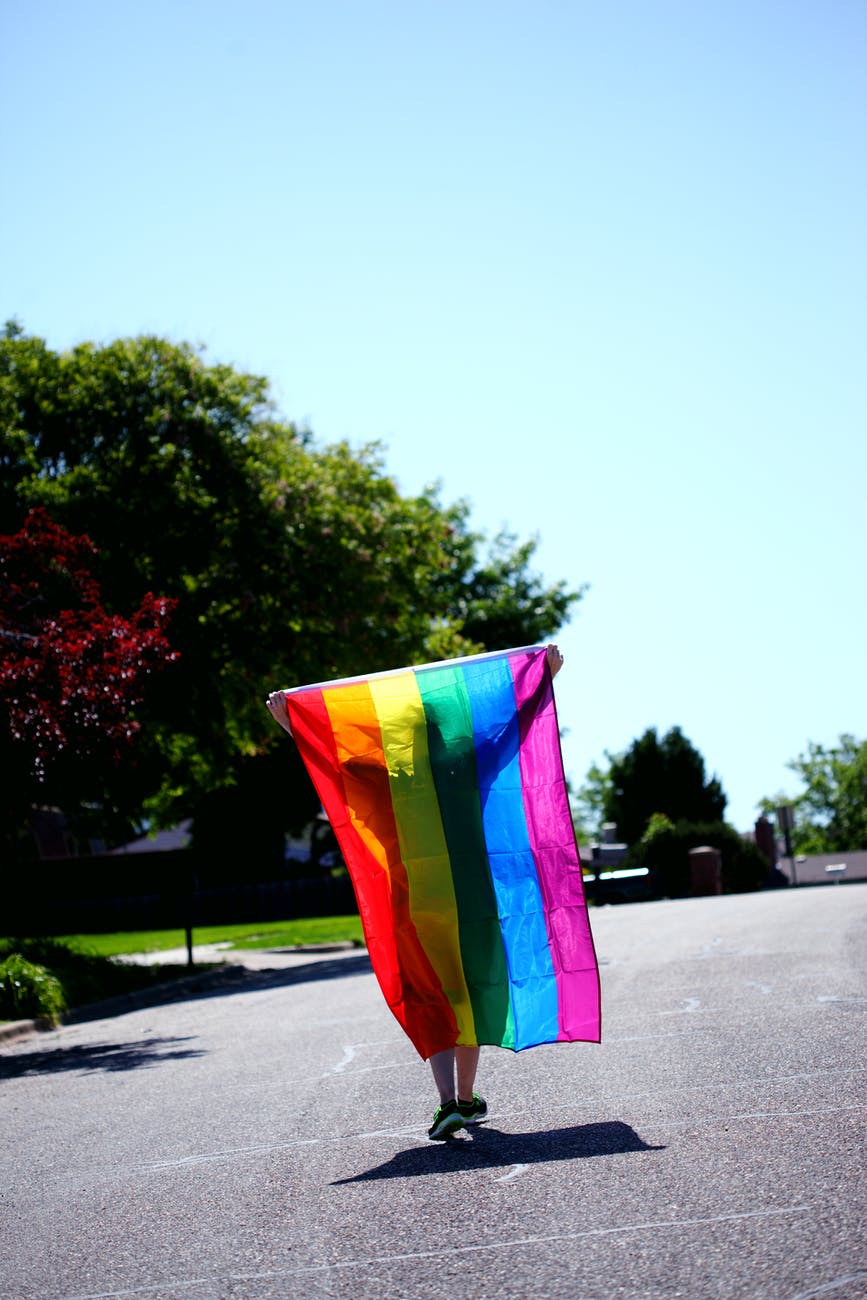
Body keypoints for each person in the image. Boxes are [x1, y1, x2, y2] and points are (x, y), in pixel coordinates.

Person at [266, 641, 565, 1141]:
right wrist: (543, 678)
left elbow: (333, 763)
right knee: (469, 993)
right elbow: (512, 731)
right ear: (449, 732)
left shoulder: (388, 775)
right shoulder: (469, 761)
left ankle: (448, 1101)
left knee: (432, 996)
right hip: (471, 903)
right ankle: (464, 1099)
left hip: (412, 907)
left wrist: (292, 723)